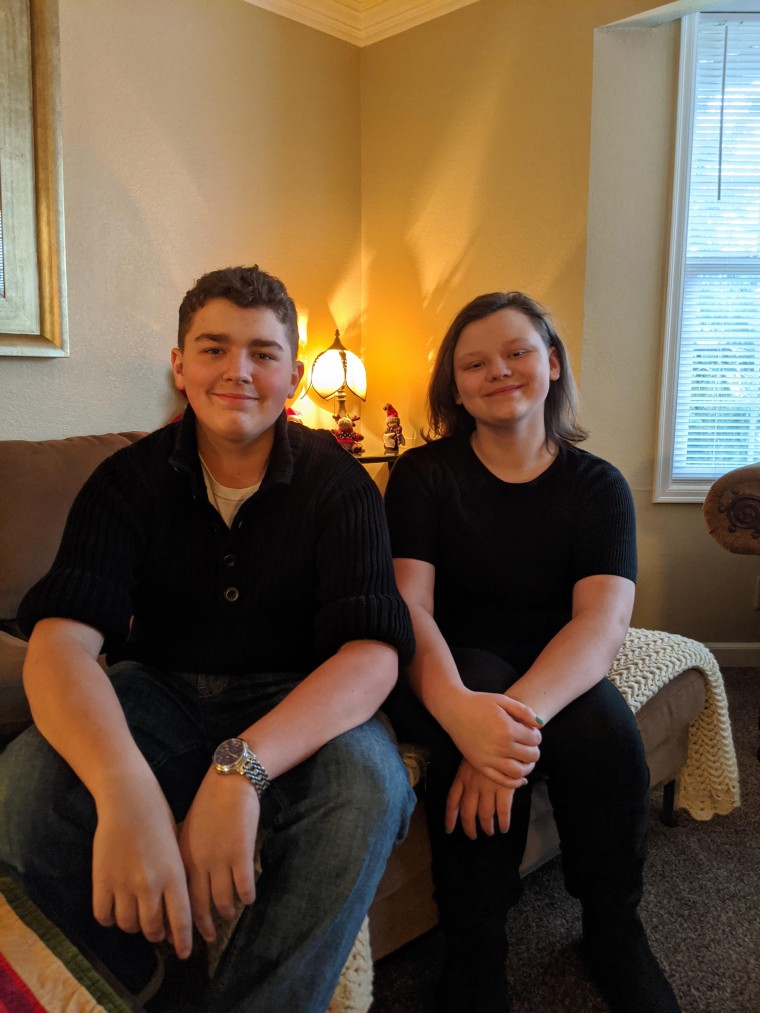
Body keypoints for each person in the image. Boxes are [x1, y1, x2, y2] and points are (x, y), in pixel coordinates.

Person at [0, 266, 416, 1013]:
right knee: (24, 785)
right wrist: (123, 784)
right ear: (180, 364)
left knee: (370, 789)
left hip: (296, 695)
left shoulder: (341, 485)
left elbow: (371, 656)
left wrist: (240, 771)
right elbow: (62, 643)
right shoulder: (122, 480)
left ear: (292, 372)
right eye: (214, 348)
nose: (238, 371)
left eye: (262, 352)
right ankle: (139, 980)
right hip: (154, 687)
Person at [383, 291, 680, 1013]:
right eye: (475, 363)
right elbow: (410, 608)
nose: (500, 371)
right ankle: (474, 952)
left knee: (606, 733)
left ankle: (613, 929)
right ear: (455, 388)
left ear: (551, 363)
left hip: (554, 659)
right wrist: (467, 717)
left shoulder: (598, 485)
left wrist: (512, 729)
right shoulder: (421, 475)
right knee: (467, 740)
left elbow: (602, 625)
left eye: (517, 352)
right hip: (448, 659)